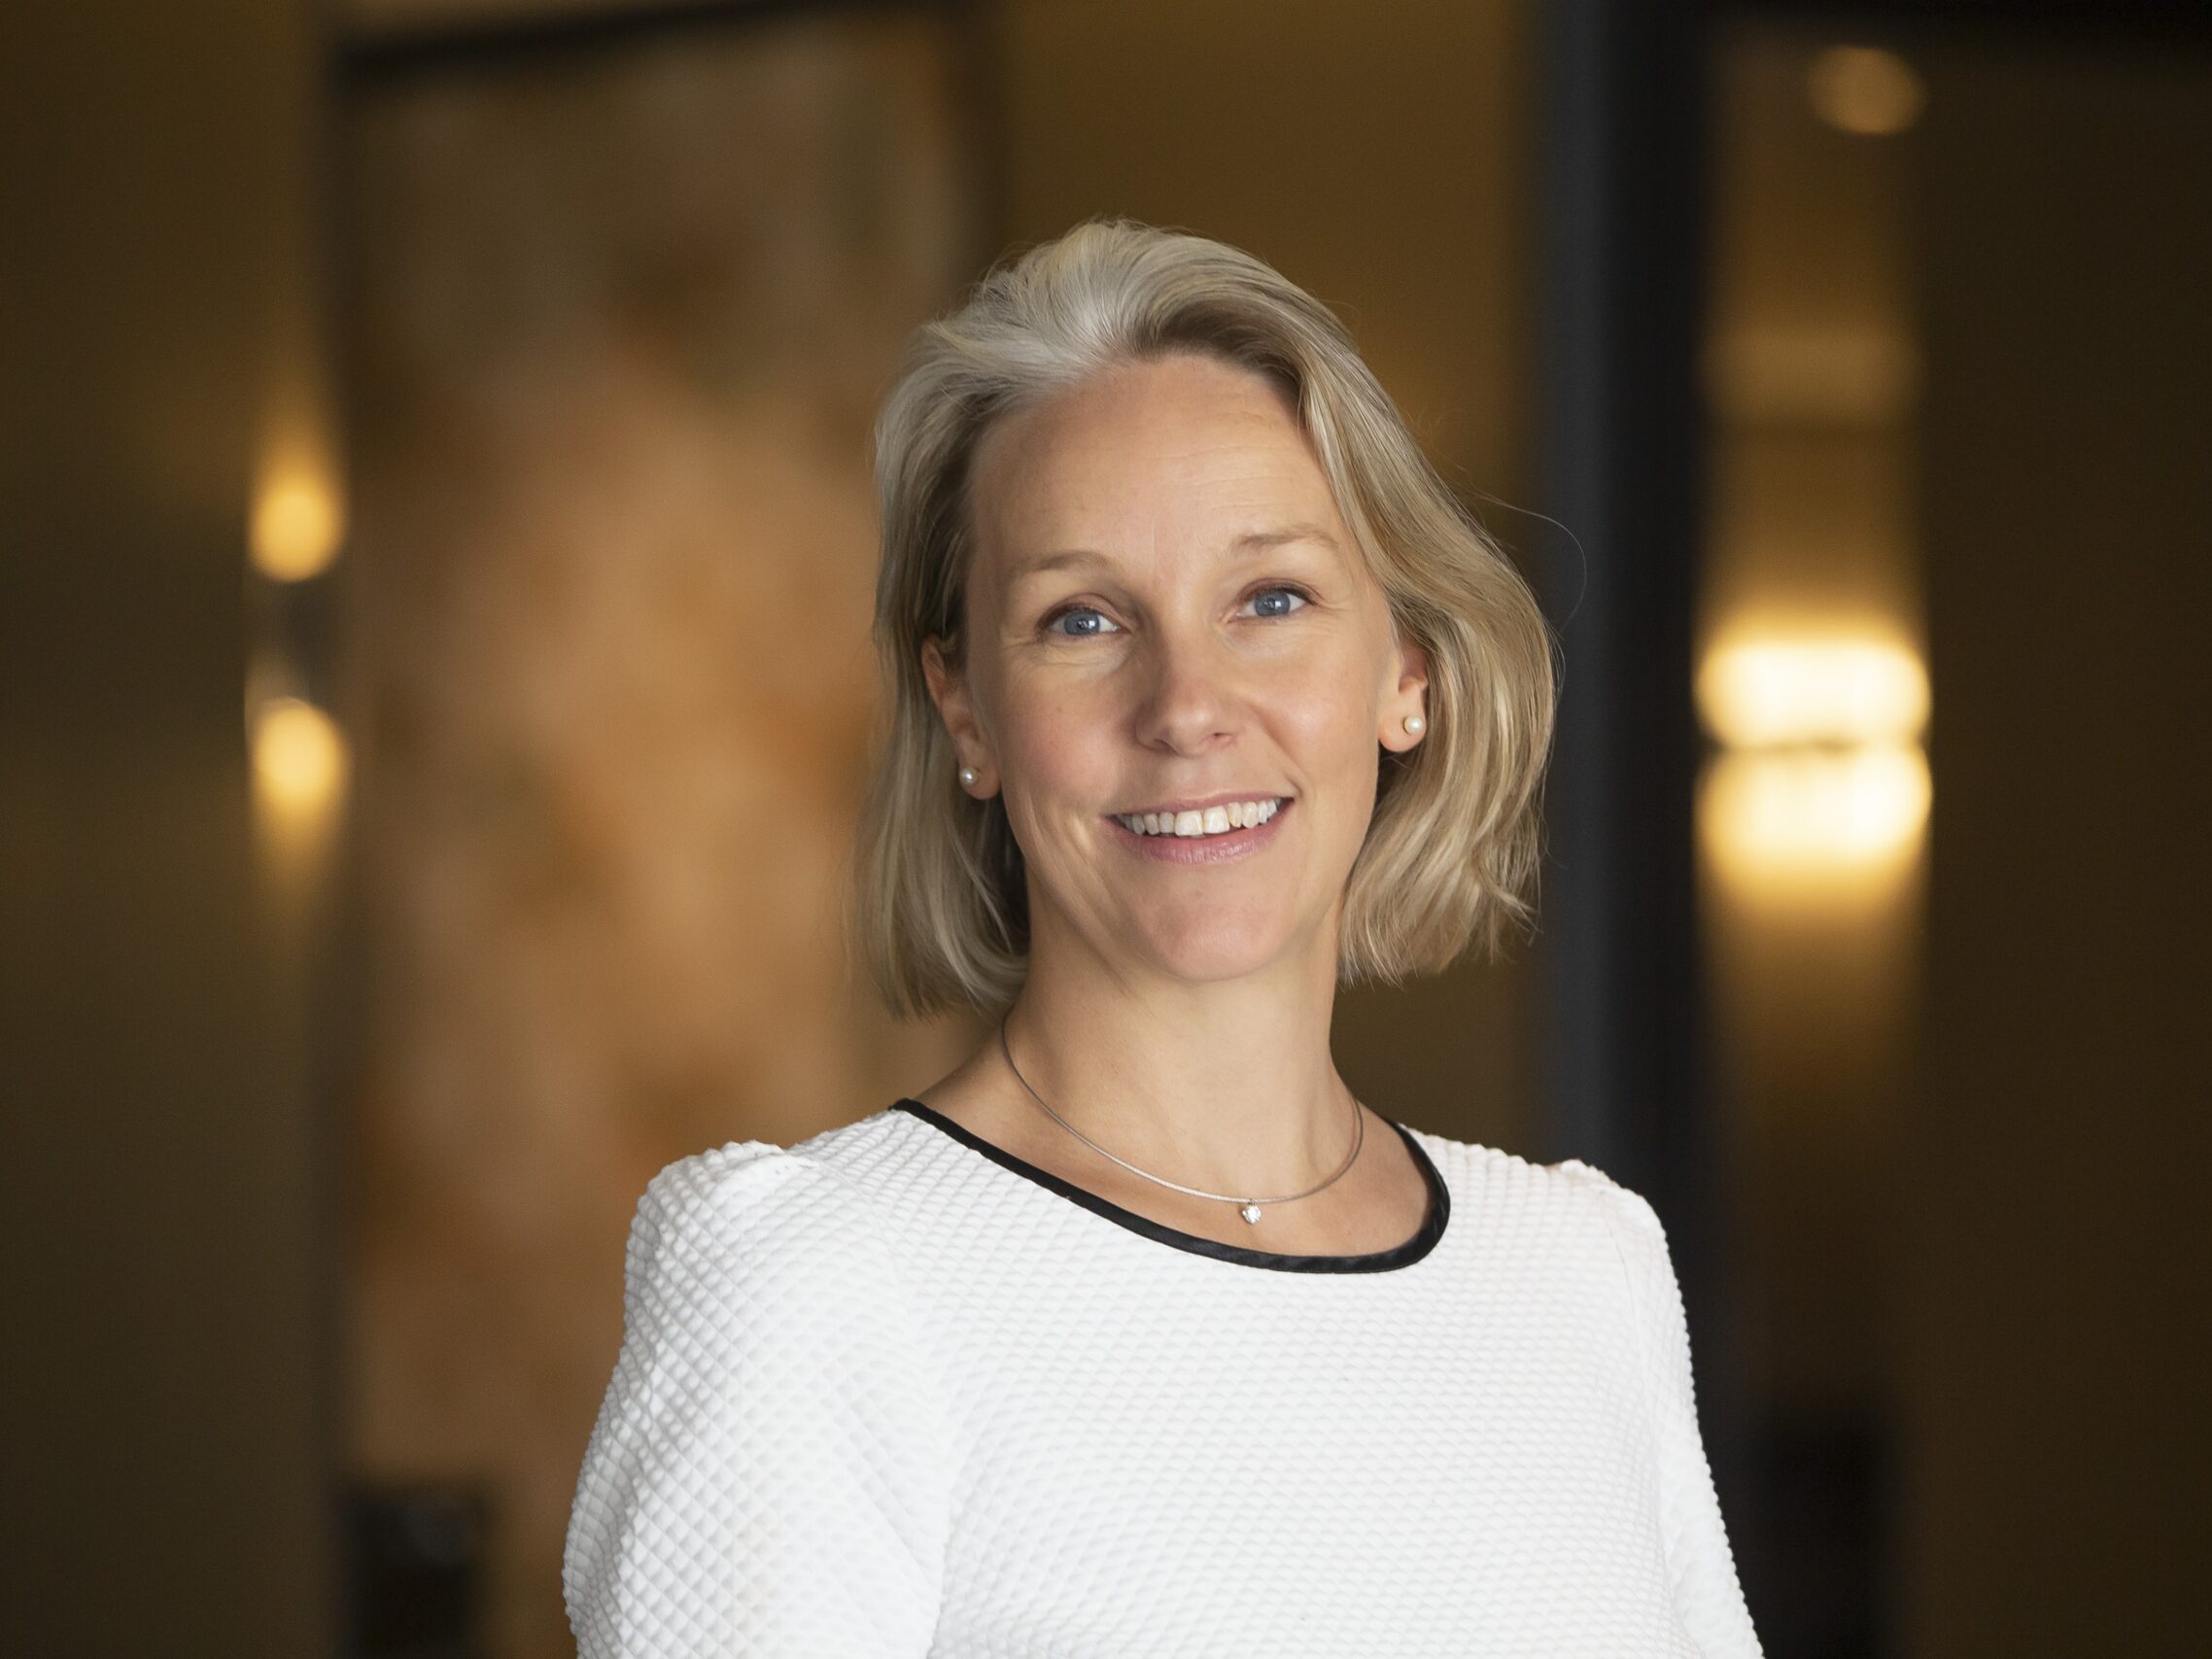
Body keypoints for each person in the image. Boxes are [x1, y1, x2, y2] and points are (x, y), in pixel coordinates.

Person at [562, 218, 1765, 1657]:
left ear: (1407, 672)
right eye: (1082, 620)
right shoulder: (818, 1284)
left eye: (1271, 599)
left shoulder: (1584, 1276)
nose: (1187, 706)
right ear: (965, 709)